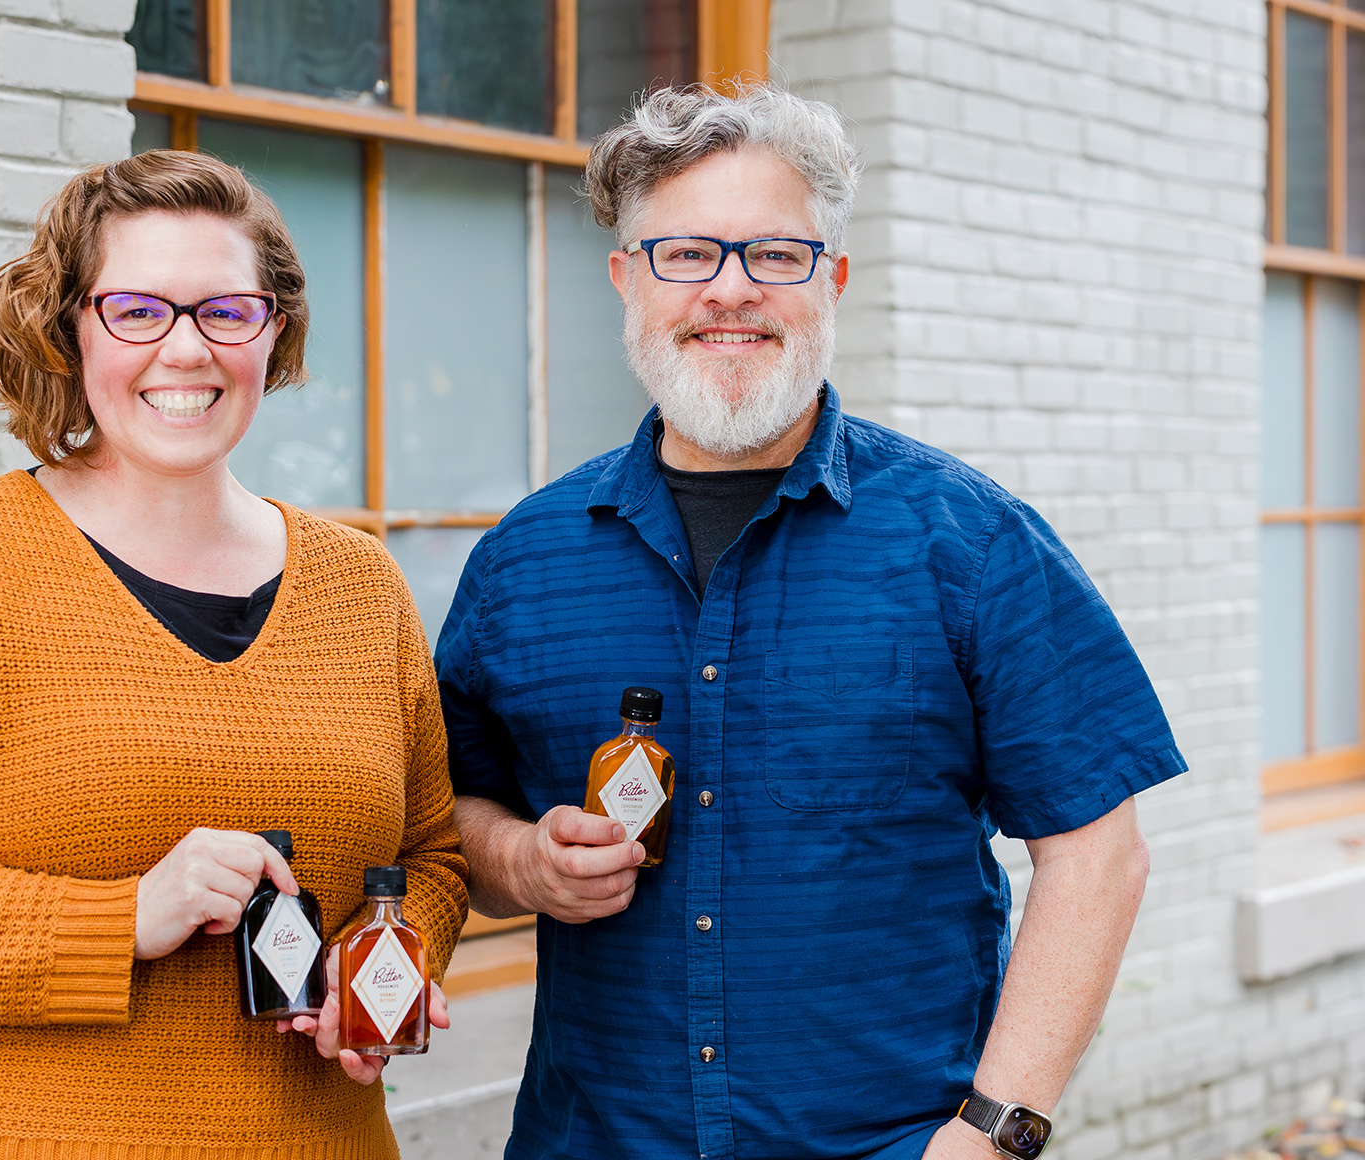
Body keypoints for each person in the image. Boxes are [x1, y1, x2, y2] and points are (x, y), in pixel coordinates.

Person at [435, 85, 1186, 1160]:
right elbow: (449, 811)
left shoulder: (966, 542)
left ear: (831, 278)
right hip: (592, 1135)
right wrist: (522, 856)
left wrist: (992, 1136)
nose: (730, 290)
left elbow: (1099, 855)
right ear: (626, 280)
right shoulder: (524, 559)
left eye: (775, 254)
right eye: (684, 253)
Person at [0, 149, 467, 1160]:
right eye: (139, 310)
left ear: (272, 331)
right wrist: (126, 914)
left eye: (226, 311)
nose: (186, 349)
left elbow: (429, 857)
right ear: (70, 328)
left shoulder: (362, 585)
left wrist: (372, 966)